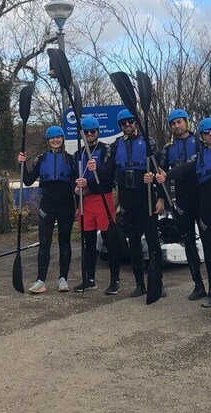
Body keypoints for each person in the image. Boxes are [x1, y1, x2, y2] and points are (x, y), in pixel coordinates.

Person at [157, 117, 211, 312]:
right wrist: (166, 176)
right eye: (206, 132)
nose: (210, 134)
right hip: (207, 212)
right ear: (202, 136)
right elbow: (182, 169)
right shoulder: (198, 157)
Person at [89, 109, 163, 298]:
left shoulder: (148, 142)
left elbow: (161, 172)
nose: (127, 125)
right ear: (120, 126)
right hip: (127, 199)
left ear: (135, 122)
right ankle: (140, 284)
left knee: (153, 241)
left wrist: (153, 179)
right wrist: (95, 168)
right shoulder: (115, 146)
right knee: (134, 243)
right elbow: (106, 174)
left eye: (130, 121)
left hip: (146, 197)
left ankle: (158, 283)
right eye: (123, 123)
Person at [18, 126, 77, 295]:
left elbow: (76, 182)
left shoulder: (71, 159)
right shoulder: (41, 159)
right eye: (52, 138)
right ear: (48, 140)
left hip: (66, 204)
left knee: (64, 242)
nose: (55, 140)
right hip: (47, 205)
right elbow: (28, 181)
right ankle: (40, 281)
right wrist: (21, 164)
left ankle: (63, 279)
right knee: (44, 243)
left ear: (63, 139)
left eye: (58, 137)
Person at [158, 108, 207, 301]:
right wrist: (161, 198)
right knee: (188, 241)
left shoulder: (200, 143)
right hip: (181, 199)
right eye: (173, 123)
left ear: (187, 122)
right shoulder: (167, 149)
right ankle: (198, 284)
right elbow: (160, 176)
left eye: (180, 122)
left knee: (207, 240)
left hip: (201, 197)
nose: (177, 126)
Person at [74, 116, 122, 295]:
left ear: (97, 132)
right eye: (86, 132)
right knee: (89, 241)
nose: (89, 135)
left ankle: (115, 280)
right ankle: (90, 279)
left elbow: (108, 176)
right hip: (86, 200)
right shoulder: (78, 154)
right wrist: (77, 187)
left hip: (103, 197)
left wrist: (95, 172)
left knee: (110, 240)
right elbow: (75, 177)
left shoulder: (105, 150)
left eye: (92, 132)